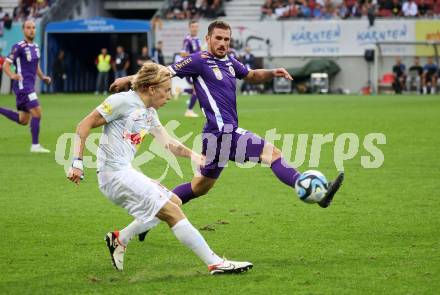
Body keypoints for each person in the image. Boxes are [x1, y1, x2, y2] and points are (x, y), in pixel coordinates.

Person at [110, 21, 344, 240]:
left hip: (215, 136)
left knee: (199, 187)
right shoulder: (198, 60)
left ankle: (144, 220)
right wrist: (128, 79)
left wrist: (272, 72)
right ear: (208, 39)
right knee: (272, 154)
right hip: (223, 133)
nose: (223, 43)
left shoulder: (231, 62)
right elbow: (163, 73)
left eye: (227, 40)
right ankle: (315, 192)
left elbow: (251, 75)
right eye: (218, 38)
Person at [67, 62, 252, 274]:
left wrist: (193, 155)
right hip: (113, 175)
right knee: (171, 211)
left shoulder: (149, 113)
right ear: (152, 88)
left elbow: (168, 143)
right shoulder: (121, 101)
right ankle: (215, 263)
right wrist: (77, 163)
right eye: (166, 91)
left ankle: (120, 238)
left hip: (125, 171)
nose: (170, 96)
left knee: (174, 201)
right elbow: (84, 125)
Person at [0, 20, 51, 153]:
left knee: (23, 120)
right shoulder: (18, 47)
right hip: (23, 87)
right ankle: (35, 145)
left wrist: (43, 77)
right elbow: (6, 64)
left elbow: (36, 66)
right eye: (28, 27)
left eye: (33, 28)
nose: (31, 30)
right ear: (23, 30)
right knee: (37, 113)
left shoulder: (36, 47)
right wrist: (12, 75)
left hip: (29, 86)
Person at [181, 19, 201, 118]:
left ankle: (181, 91)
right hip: (191, 68)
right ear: (189, 28)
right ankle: (189, 110)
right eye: (193, 27)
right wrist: (195, 56)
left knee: (199, 89)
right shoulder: (187, 39)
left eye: (196, 27)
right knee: (197, 90)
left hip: (197, 68)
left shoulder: (197, 39)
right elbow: (183, 53)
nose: (195, 29)